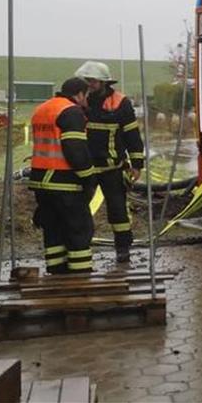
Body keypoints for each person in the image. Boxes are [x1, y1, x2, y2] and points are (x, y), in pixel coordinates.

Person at [74, 61, 145, 264]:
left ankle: (123, 249)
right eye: (85, 81)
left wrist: (137, 164)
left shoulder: (120, 102)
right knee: (79, 208)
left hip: (112, 167)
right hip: (84, 167)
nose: (89, 85)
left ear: (104, 81)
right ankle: (80, 248)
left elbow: (132, 134)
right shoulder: (77, 101)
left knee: (118, 209)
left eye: (92, 81)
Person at [29, 77, 98, 274]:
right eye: (87, 96)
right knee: (79, 229)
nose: (87, 101)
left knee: (53, 229)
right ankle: (80, 275)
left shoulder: (43, 109)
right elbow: (75, 150)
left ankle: (57, 271)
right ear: (80, 94)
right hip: (65, 183)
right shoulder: (71, 112)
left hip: (42, 182)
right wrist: (88, 177)